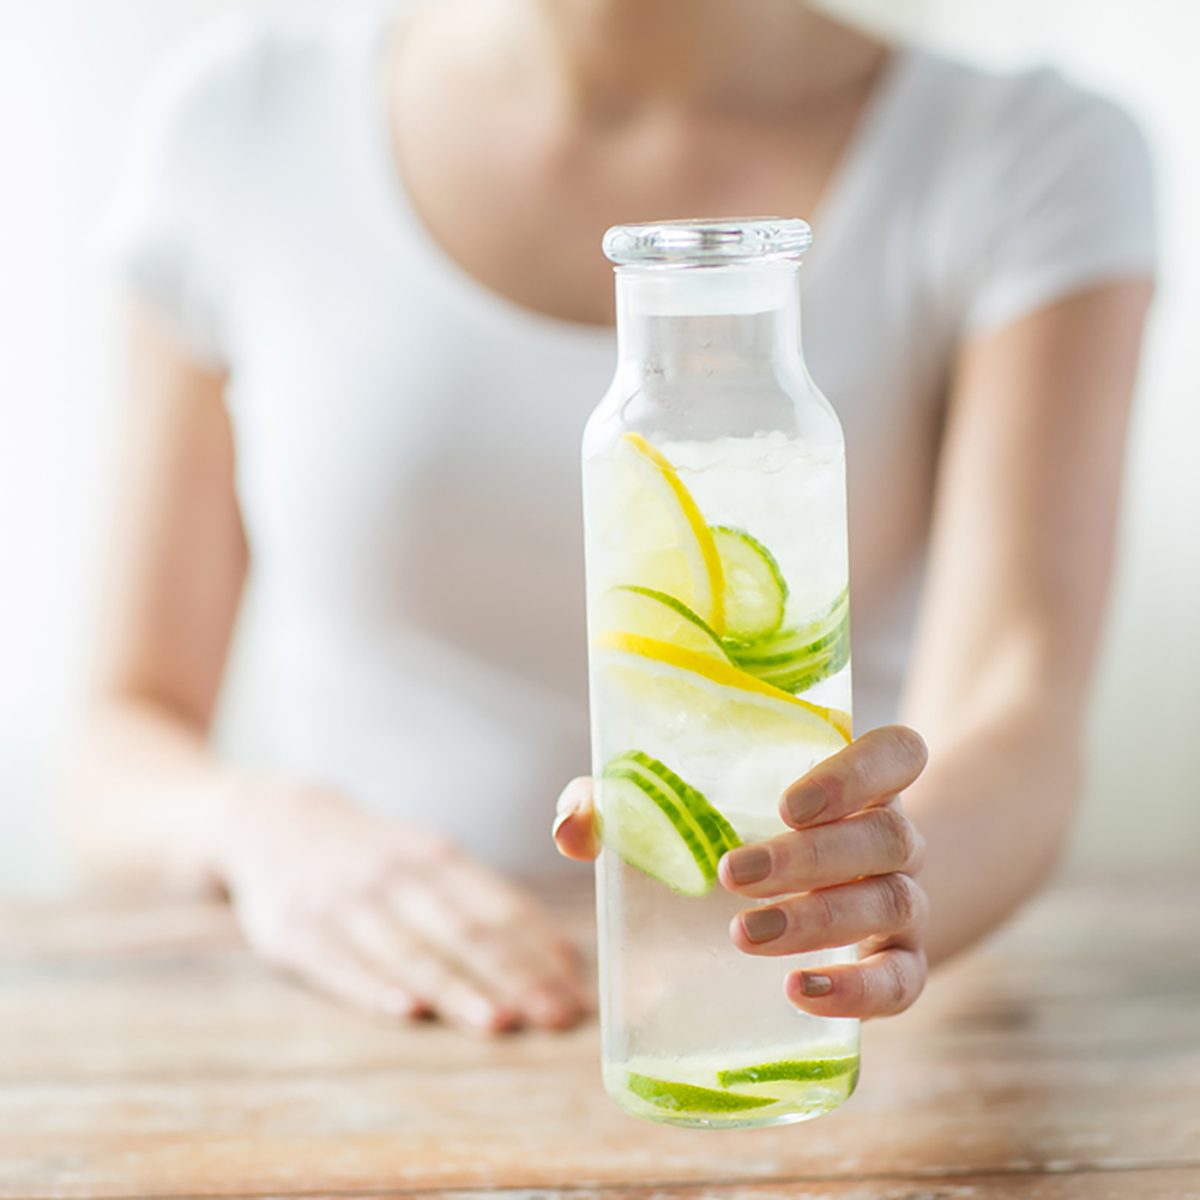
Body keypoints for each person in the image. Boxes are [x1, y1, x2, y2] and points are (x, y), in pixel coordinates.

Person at [66, 0, 1155, 1034]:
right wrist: (264, 833)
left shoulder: (1025, 151)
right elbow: (120, 734)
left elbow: (1016, 717)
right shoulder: (242, 120)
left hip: (784, 1011)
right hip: (360, 1020)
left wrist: (885, 885)